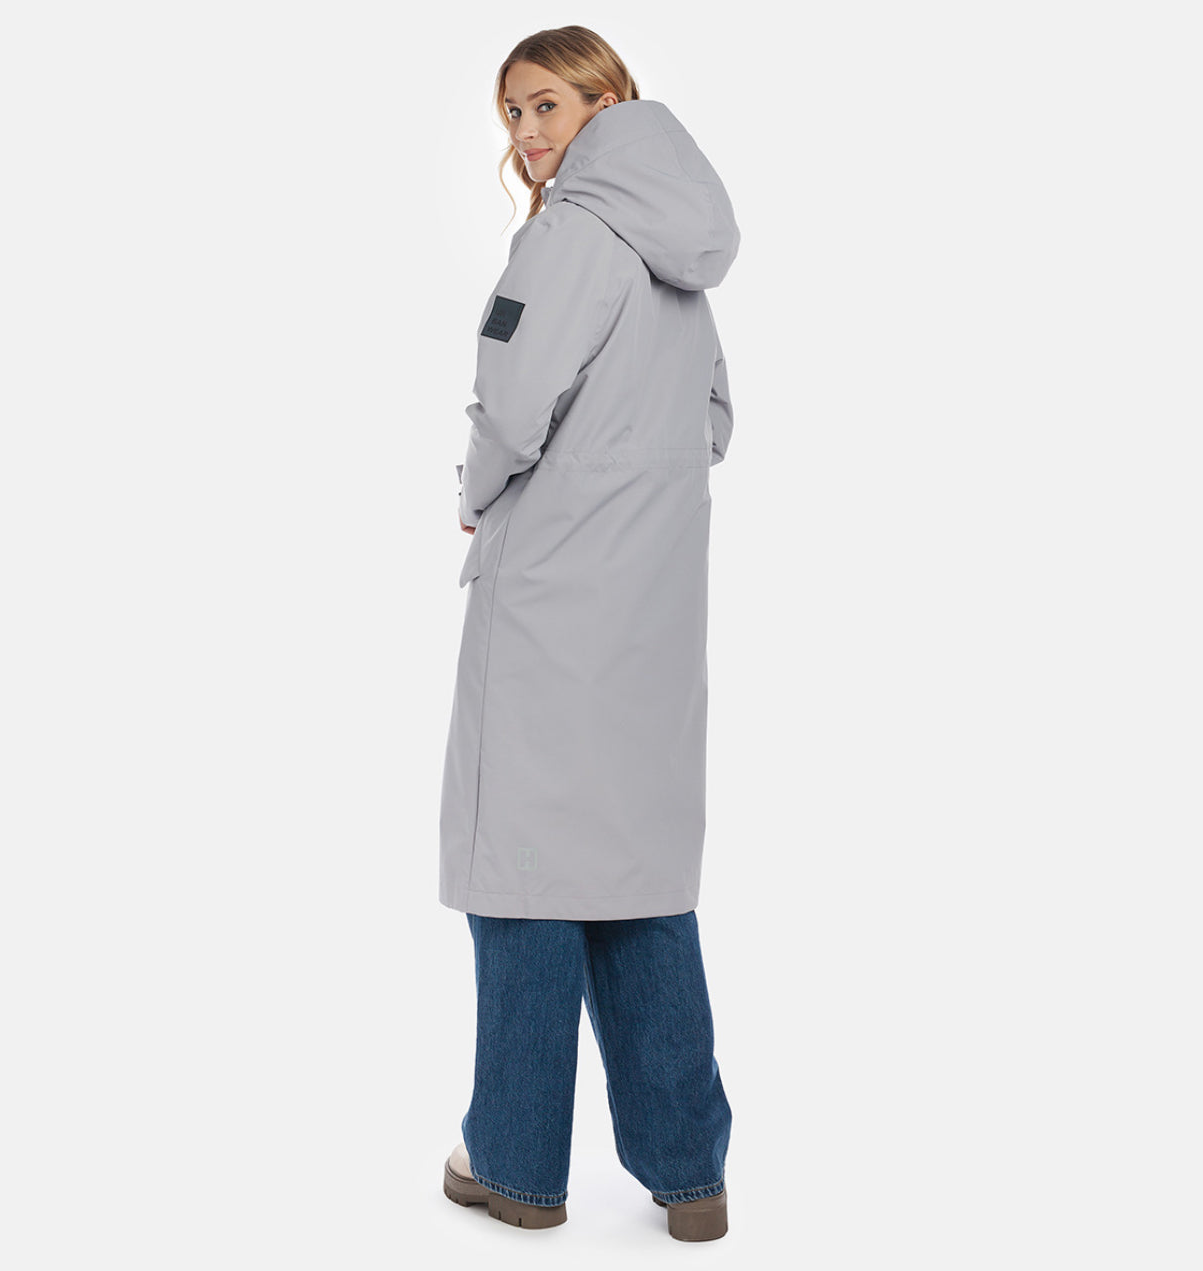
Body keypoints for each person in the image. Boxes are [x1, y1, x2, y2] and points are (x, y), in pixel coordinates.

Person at [438, 26, 740, 1242]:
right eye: (513, 111)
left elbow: (511, 404)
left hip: (556, 599)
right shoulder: (682, 254)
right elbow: (717, 417)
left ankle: (515, 1162)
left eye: (548, 104)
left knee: (524, 870)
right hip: (654, 612)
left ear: (608, 101)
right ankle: (690, 1172)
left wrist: (476, 494)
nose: (528, 132)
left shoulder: (569, 236)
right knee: (638, 878)